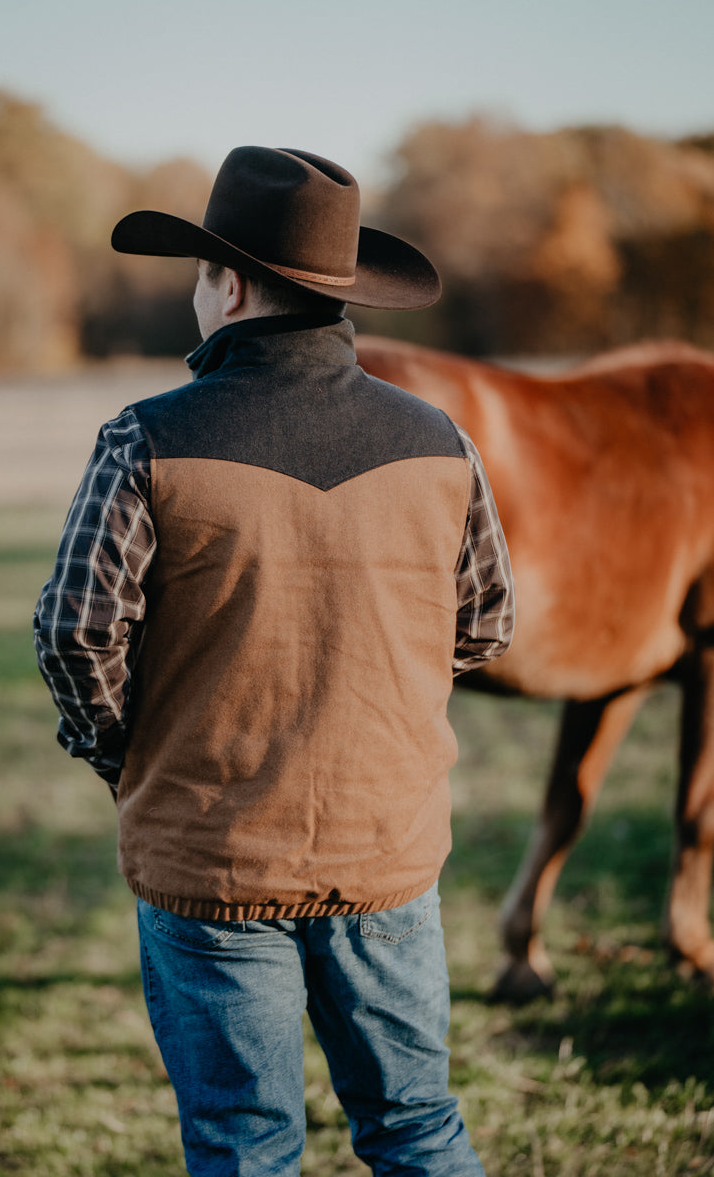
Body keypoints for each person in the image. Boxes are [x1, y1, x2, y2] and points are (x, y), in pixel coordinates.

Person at [34, 146, 514, 1177]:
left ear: (232, 286)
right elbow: (481, 624)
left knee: (242, 1147)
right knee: (416, 1127)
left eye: (203, 274)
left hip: (207, 858)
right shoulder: (441, 443)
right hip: (386, 851)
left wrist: (125, 756)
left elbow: (76, 631)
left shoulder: (144, 438)